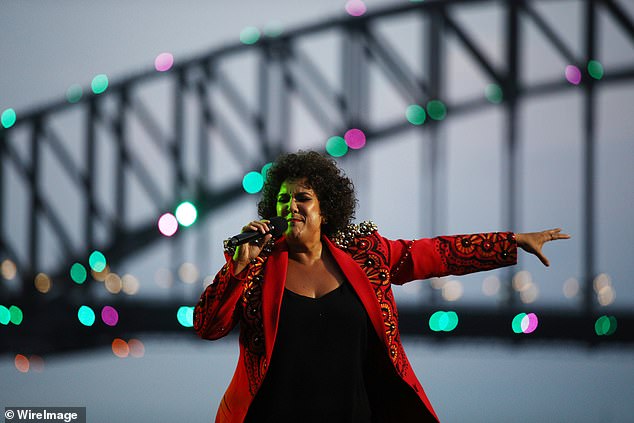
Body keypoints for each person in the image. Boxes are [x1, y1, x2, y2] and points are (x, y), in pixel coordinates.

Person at [194, 150, 570, 422]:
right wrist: (238, 267)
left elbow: (436, 254)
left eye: (302, 198)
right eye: (282, 199)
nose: (290, 205)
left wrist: (511, 242)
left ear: (326, 210)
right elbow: (207, 327)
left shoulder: (366, 255)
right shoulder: (256, 265)